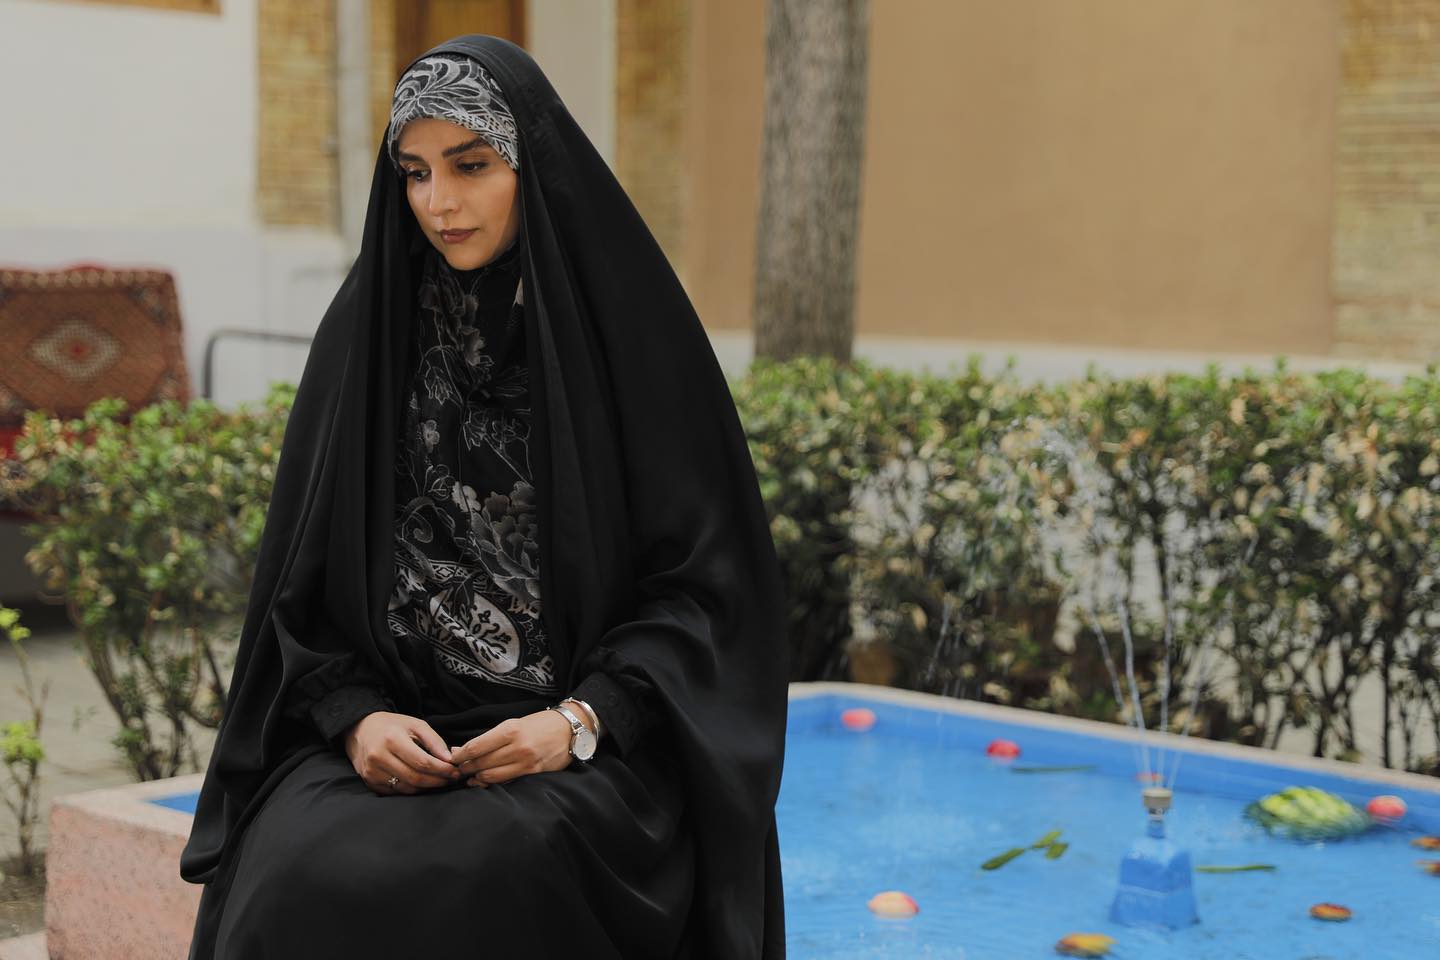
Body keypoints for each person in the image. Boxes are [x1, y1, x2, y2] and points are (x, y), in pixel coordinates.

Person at [180, 35, 788, 959]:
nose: (440, 203)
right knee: (294, 867)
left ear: (530, 166)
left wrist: (579, 722)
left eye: (471, 166)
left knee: (493, 869)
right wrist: (356, 718)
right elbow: (301, 585)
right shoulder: (368, 336)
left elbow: (707, 591)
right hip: (398, 730)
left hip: (590, 739)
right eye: (415, 173)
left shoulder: (630, 340)